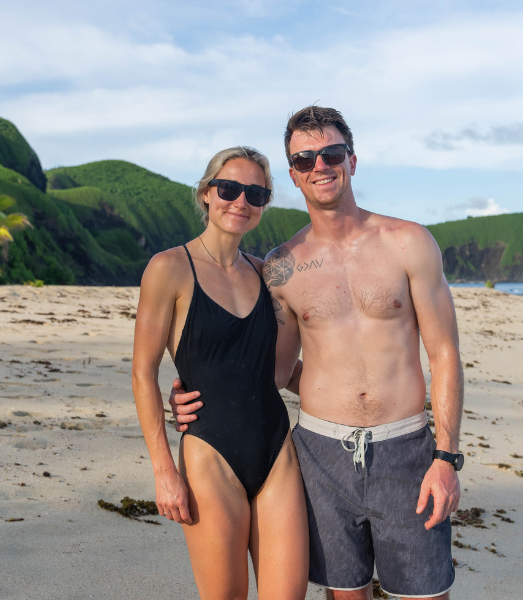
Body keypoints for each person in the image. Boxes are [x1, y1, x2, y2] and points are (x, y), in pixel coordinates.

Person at [171, 107, 464, 600]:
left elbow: (445, 354)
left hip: (405, 449)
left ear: (352, 160)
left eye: (331, 154)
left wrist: (447, 457)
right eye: (305, 159)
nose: (319, 166)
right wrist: (196, 391)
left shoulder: (409, 242)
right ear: (293, 174)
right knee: (344, 595)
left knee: (425, 595)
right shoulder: (283, 267)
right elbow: (274, 370)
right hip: (322, 454)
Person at [132, 146, 308, 600]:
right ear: (206, 193)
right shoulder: (169, 268)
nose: (241, 201)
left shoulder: (267, 274)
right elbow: (142, 372)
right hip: (210, 455)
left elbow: (282, 370)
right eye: (229, 188)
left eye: (255, 193)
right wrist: (164, 471)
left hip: (276, 449)